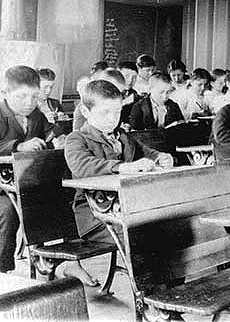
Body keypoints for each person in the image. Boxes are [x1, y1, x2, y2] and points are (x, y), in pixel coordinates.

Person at [65, 79, 173, 285]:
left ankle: (168, 293)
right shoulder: (76, 139)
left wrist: (159, 157)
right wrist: (122, 167)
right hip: (97, 214)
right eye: (105, 113)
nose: (112, 119)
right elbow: (83, 166)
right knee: (144, 238)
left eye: (117, 112)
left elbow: (144, 151)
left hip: (128, 207)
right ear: (86, 113)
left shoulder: (122, 136)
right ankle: (150, 299)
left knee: (173, 228)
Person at [0, 66, 65, 274]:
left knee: (57, 200)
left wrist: (56, 137)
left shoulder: (36, 114)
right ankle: (3, 269)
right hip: (3, 187)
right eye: (22, 97)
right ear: (4, 93)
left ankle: (44, 253)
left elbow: (49, 130)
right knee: (8, 213)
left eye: (34, 97)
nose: (29, 102)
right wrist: (17, 146)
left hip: (27, 182)